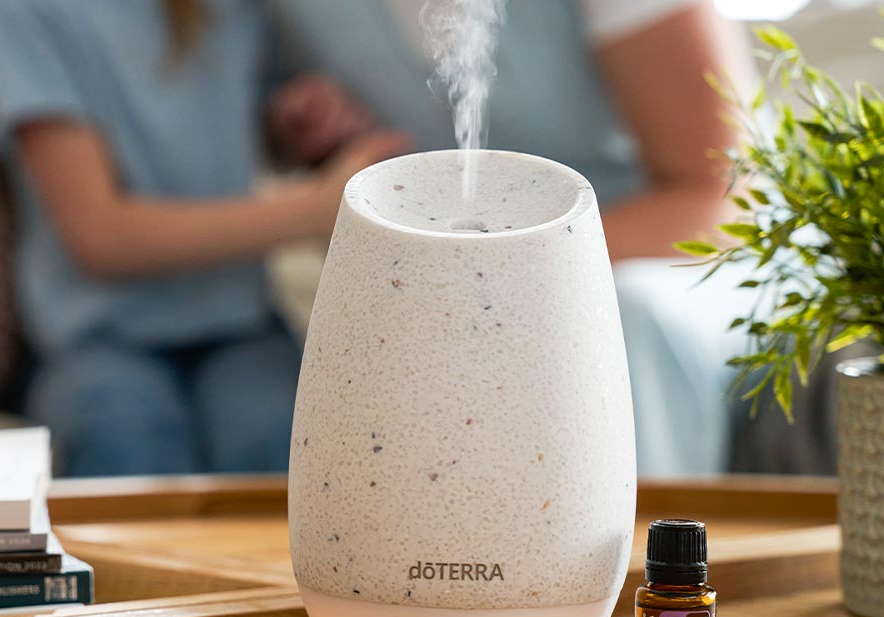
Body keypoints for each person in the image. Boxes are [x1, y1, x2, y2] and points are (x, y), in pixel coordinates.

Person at [274, 0, 764, 475]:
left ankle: (639, 556)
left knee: (619, 318)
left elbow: (717, 198)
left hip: (681, 258)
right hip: (452, 277)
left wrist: (491, 275)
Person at [0, 0, 407, 476]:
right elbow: (100, 236)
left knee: (279, 435)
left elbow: (235, 121)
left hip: (240, 329)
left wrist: (291, 125)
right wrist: (314, 211)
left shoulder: (234, 11)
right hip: (99, 340)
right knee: (121, 437)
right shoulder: (22, 14)